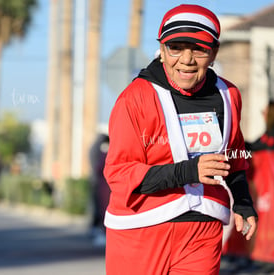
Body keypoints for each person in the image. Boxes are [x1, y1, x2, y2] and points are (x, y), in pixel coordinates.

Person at [103, 5, 258, 275]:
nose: (186, 60)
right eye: (176, 47)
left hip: (203, 230)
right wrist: (190, 171)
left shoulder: (229, 95)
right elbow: (120, 173)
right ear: (162, 50)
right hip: (141, 230)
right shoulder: (135, 98)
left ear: (214, 53)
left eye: (198, 49)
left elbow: (234, 156)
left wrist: (243, 202)